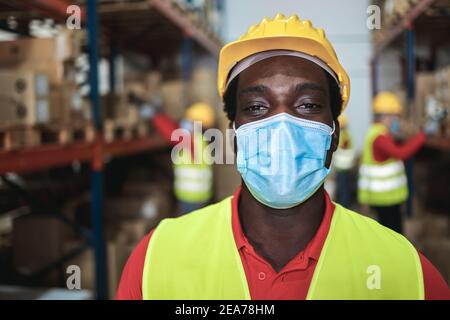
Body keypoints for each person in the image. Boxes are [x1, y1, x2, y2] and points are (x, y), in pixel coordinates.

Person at [116, 14, 450, 300]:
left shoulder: (406, 273)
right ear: (233, 133)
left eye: (307, 105)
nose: (282, 126)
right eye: (256, 107)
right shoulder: (155, 262)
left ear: (334, 133)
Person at [358, 92, 426, 234]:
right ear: (385, 116)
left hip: (382, 197)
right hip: (385, 198)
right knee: (393, 233)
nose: (396, 120)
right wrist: (422, 136)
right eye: (395, 116)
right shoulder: (380, 137)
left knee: (387, 231)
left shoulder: (376, 131)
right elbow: (401, 153)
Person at [173, 102, 215, 214]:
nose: (186, 124)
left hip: (191, 200)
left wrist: (156, 116)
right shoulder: (202, 141)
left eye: (190, 122)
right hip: (200, 198)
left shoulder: (193, 142)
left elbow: (169, 133)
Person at [333, 114, 355, 207]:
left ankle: (343, 206)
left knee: (343, 190)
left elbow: (340, 146)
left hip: (342, 167)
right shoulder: (346, 134)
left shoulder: (342, 135)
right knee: (344, 189)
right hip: (345, 166)